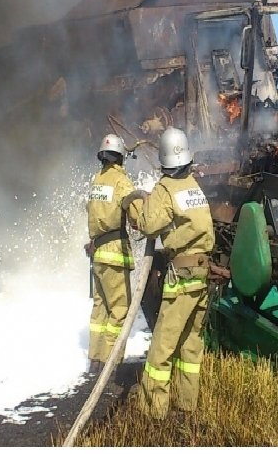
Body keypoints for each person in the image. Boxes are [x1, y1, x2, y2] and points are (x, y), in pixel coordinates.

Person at [131, 127, 215, 419]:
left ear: (164, 160)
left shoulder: (166, 189)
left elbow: (147, 224)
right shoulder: (193, 186)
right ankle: (186, 403)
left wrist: (135, 205)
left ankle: (152, 410)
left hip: (181, 277)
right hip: (201, 275)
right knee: (191, 344)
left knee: (162, 347)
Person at [85, 133, 141, 374]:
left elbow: (92, 211)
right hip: (114, 253)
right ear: (120, 157)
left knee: (100, 308)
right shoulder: (121, 182)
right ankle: (110, 362)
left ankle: (95, 360)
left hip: (98, 254)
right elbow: (137, 215)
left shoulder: (97, 181)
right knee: (119, 309)